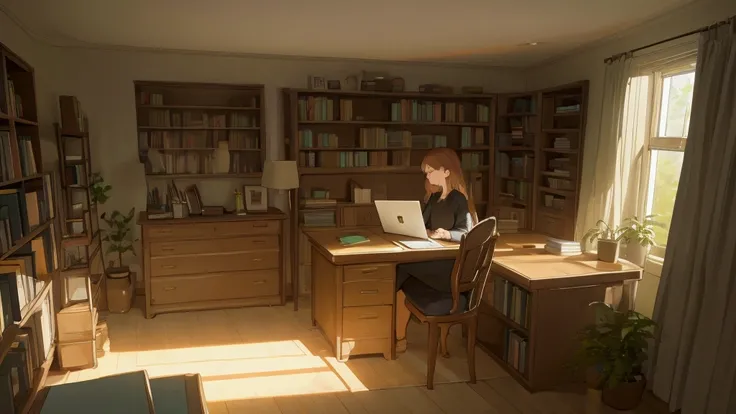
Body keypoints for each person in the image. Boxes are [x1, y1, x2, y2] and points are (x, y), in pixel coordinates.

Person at [395, 147, 478, 353]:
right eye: (426, 172)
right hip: (433, 259)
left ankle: (390, 332)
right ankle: (397, 336)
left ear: (447, 171)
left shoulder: (459, 199)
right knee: (398, 269)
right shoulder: (434, 198)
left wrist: (447, 234)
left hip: (449, 267)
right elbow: (421, 223)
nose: (428, 175)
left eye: (431, 171)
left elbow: (467, 233)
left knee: (400, 269)